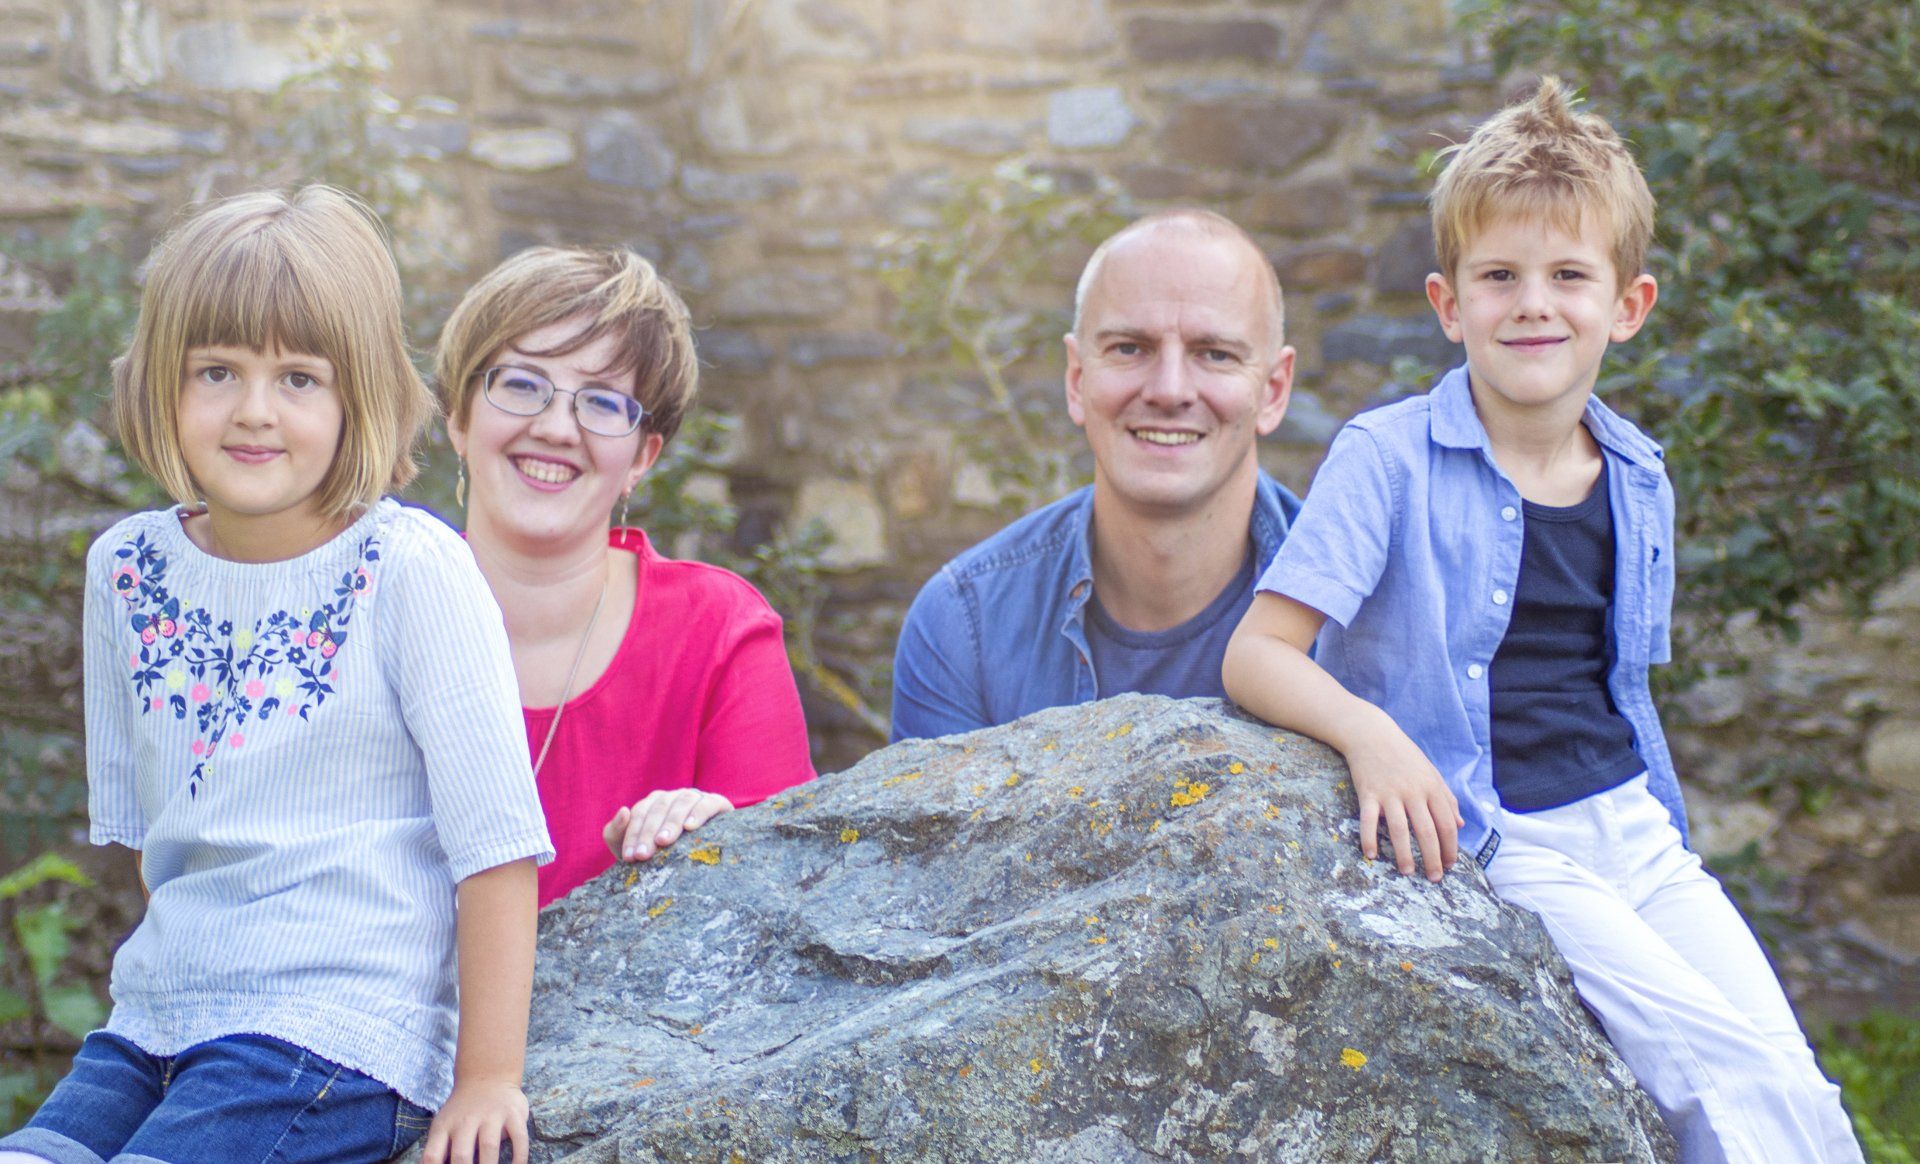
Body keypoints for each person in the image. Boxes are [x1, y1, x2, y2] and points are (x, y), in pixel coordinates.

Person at [1223, 80, 1860, 1163]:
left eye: (1569, 275)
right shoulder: (1386, 460)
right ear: (1448, 303)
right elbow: (1257, 653)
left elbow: (1618, 692)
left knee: (1796, 1078)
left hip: (1634, 830)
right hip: (1501, 831)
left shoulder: (1640, 476)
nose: (1533, 304)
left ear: (1628, 304)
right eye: (1499, 276)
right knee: (1726, 1073)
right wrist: (1375, 738)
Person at [0, 188, 553, 1164]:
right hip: (157, 1022)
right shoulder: (128, 568)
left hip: (333, 1030)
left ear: (357, 397)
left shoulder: (407, 567)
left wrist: (485, 1078)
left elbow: (498, 847)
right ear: (163, 384)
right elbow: (164, 842)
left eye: (299, 377)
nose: (254, 410)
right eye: (216, 370)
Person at [435, 246, 814, 909]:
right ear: (459, 419)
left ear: (642, 457)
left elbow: (793, 899)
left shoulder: (718, 633)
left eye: (602, 403)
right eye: (521, 385)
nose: (556, 428)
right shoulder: (367, 615)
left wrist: (691, 869)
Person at [891, 209, 1301, 740]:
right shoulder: (966, 626)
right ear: (1076, 378)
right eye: (1129, 349)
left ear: (1273, 391)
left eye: (1215, 354)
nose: (1169, 390)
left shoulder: (1365, 615)